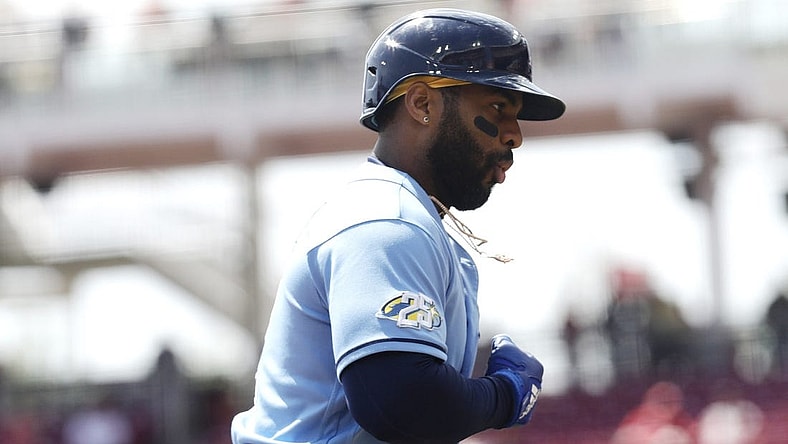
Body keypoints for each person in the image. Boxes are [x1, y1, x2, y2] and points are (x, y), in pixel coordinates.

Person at [231, 8, 565, 444]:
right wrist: (504, 395)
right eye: (497, 106)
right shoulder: (386, 218)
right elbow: (401, 403)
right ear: (423, 104)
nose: (514, 134)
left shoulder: (406, 213)